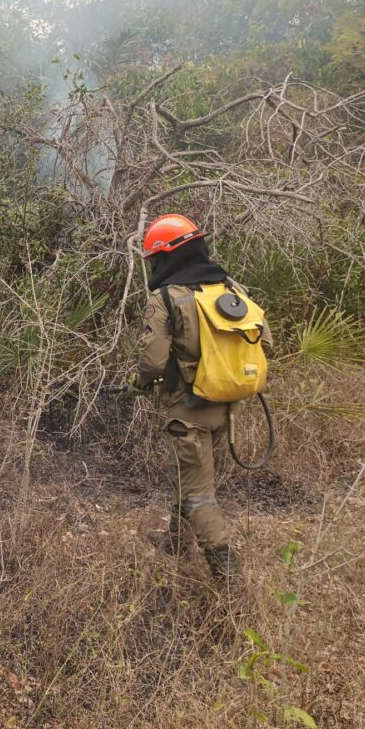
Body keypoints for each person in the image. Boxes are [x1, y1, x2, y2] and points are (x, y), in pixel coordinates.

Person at [130, 215, 272, 586]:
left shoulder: (164, 297)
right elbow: (265, 343)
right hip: (227, 408)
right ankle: (175, 544)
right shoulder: (229, 289)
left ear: (166, 257)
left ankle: (229, 582)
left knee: (198, 495)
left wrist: (138, 383)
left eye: (154, 259)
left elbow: (152, 360)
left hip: (187, 409)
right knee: (189, 476)